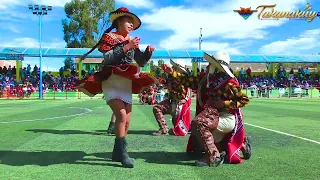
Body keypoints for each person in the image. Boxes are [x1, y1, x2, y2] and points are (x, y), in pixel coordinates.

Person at [76, 7, 157, 168]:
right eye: (129, 21)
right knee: (120, 116)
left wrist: (147, 53)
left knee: (127, 121)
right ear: (119, 21)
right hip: (111, 80)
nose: (131, 25)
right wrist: (127, 46)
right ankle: (123, 154)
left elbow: (140, 62)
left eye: (133, 23)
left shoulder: (132, 40)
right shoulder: (110, 37)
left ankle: (116, 152)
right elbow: (108, 58)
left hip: (126, 82)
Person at [162, 51, 251, 167]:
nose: (207, 66)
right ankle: (242, 145)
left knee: (199, 123)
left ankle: (214, 156)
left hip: (225, 117)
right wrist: (173, 73)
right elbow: (189, 81)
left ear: (217, 67)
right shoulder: (205, 80)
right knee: (197, 147)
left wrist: (223, 104)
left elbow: (244, 99)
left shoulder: (229, 83)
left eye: (210, 64)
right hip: (212, 117)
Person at [152, 60, 192, 136]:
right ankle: (165, 128)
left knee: (157, 108)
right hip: (173, 102)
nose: (172, 67)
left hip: (177, 105)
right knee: (158, 108)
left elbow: (180, 93)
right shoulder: (172, 77)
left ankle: (164, 128)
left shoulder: (181, 78)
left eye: (174, 67)